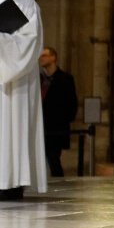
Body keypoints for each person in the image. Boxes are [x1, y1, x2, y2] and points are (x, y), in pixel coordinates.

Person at [0, 0, 48, 199]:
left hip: (15, 83)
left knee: (13, 129)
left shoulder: (25, 2)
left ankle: (12, 184)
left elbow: (30, 42)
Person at [40, 46, 78, 177]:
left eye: (44, 55)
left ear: (53, 57)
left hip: (56, 127)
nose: (41, 59)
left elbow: (72, 103)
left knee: (53, 158)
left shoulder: (65, 79)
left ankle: (59, 183)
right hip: (40, 126)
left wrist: (65, 120)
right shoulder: (38, 80)